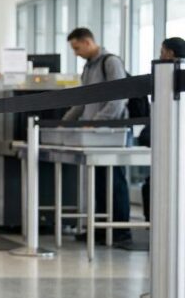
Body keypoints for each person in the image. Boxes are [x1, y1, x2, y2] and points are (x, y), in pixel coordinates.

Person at [62, 28, 132, 249]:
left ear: (88, 41)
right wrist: (65, 121)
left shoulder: (110, 62)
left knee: (115, 181)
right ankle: (101, 229)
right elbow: (82, 100)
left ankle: (120, 231)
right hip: (93, 135)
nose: (76, 53)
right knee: (99, 181)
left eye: (76, 47)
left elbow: (119, 98)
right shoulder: (88, 68)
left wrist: (99, 121)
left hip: (112, 133)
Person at [141, 37, 185, 222]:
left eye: (162, 51)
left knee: (156, 184)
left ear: (170, 53)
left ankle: (158, 225)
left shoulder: (168, 78)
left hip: (171, 147)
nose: (160, 55)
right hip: (170, 145)